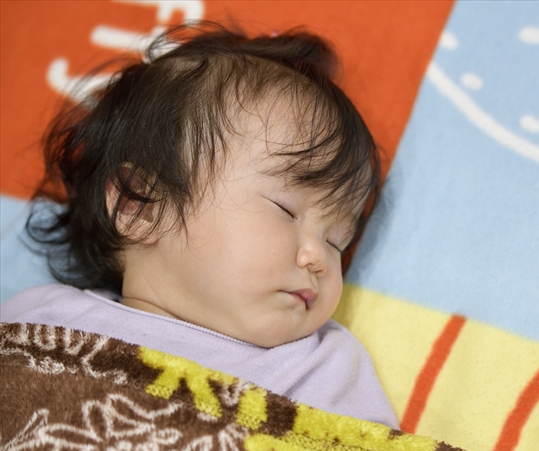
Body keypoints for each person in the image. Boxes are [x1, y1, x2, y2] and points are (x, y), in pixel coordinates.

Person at [0, 22, 399, 428]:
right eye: (286, 209)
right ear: (139, 206)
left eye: (336, 242)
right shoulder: (41, 320)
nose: (318, 258)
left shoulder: (319, 368)